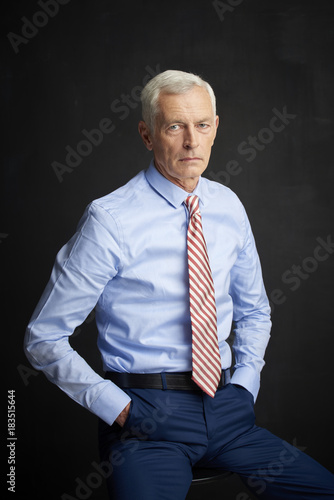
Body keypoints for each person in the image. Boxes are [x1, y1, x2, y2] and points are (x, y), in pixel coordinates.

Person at [24, 70, 334, 499]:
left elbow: (254, 310)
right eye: (175, 127)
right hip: (148, 420)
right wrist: (120, 409)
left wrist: (245, 383)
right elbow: (43, 337)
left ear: (215, 128)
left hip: (228, 409)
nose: (192, 141)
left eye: (202, 125)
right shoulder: (109, 220)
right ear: (147, 135)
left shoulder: (228, 205)